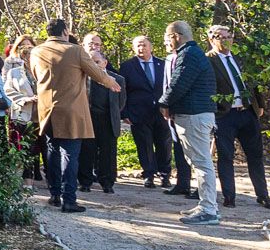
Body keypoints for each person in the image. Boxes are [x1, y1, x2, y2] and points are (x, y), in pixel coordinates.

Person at [28, 19, 120, 213]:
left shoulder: (36, 51)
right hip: (72, 110)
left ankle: (54, 195)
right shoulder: (76, 50)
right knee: (70, 155)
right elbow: (97, 73)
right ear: (66, 31)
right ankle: (69, 199)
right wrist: (110, 81)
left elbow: (36, 75)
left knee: (52, 152)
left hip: (46, 110)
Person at [157, 20, 221, 226]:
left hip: (194, 116)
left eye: (167, 38)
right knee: (198, 162)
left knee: (202, 163)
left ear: (176, 36)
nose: (166, 43)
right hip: (195, 115)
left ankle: (209, 209)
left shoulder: (189, 55)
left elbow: (178, 84)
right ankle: (205, 204)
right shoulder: (193, 54)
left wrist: (163, 103)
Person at [208, 24, 270, 208]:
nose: (226, 40)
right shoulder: (209, 61)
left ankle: (263, 195)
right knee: (226, 156)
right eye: (221, 37)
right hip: (224, 115)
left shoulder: (240, 58)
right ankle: (229, 197)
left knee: (255, 156)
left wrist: (259, 104)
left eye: (228, 36)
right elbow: (207, 88)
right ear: (211, 39)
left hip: (247, 112)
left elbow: (253, 82)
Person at [119, 35, 172, 188]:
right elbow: (123, 91)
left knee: (164, 144)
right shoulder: (127, 66)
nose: (141, 48)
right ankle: (148, 174)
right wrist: (125, 113)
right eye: (137, 46)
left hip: (162, 111)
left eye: (143, 45)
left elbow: (169, 86)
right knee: (144, 144)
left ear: (151, 47)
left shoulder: (163, 64)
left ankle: (164, 174)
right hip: (138, 112)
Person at [78, 32, 125, 194]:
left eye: (97, 62)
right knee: (86, 152)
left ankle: (107, 183)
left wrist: (113, 114)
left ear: (105, 63)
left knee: (108, 153)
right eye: (91, 63)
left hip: (107, 119)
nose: (94, 65)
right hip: (87, 118)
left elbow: (121, 101)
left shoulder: (117, 79)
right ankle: (85, 182)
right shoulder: (81, 78)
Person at [2, 35, 41, 179]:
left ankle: (35, 174)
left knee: (37, 146)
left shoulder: (42, 70)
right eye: (23, 47)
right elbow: (7, 87)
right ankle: (21, 177)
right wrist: (24, 99)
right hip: (22, 112)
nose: (27, 51)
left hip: (40, 113)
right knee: (20, 145)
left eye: (30, 47)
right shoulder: (13, 69)